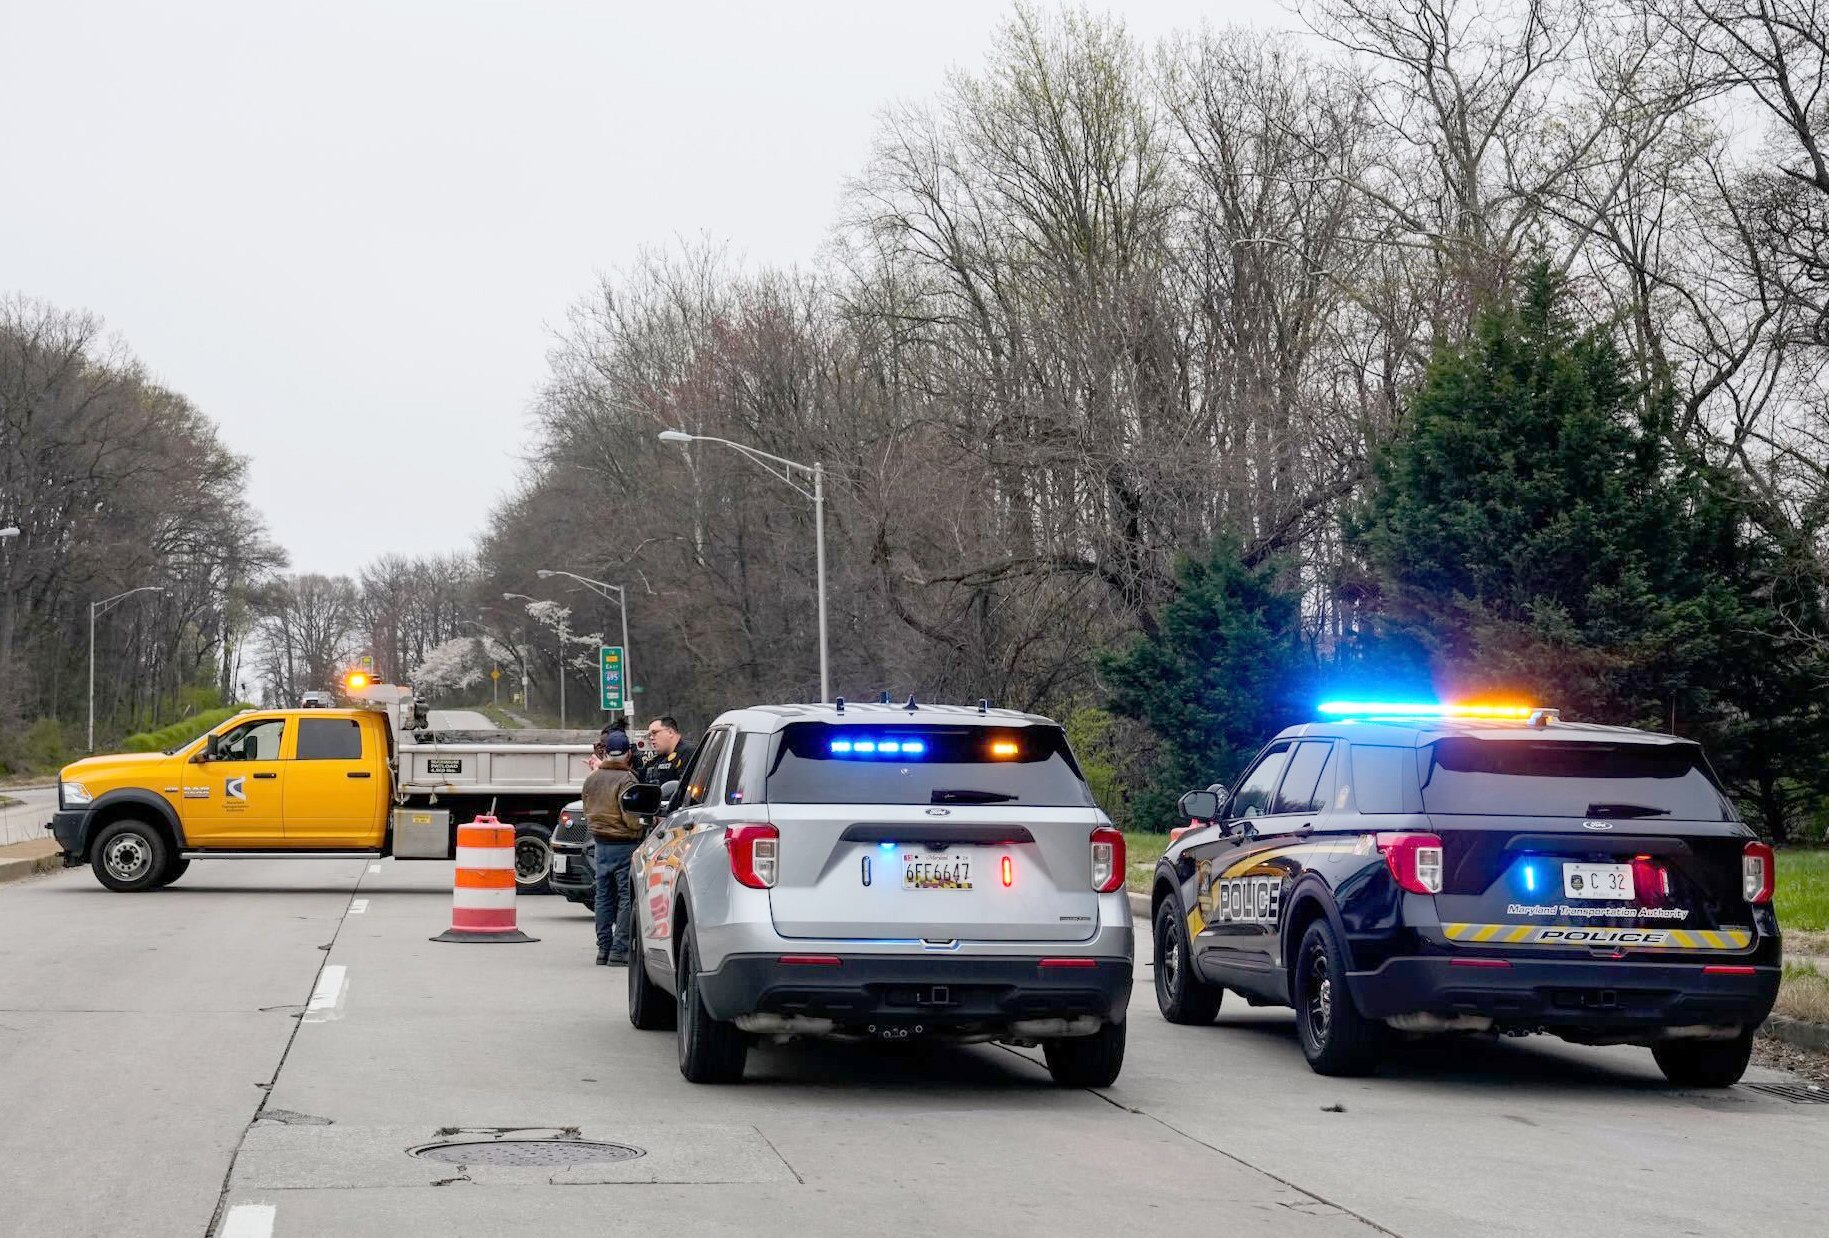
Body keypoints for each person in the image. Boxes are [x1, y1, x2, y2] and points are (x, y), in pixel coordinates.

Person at [580, 729, 642, 966]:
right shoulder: (627, 780)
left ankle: (603, 949)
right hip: (625, 844)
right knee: (626, 897)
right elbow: (631, 817)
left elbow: (587, 810)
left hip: (601, 844)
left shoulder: (592, 779)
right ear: (627, 754)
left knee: (603, 897)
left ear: (605, 753)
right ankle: (619, 950)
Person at [639, 715, 693, 786]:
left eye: (654, 733)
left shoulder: (689, 753)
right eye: (649, 735)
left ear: (670, 732)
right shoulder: (656, 760)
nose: (651, 738)